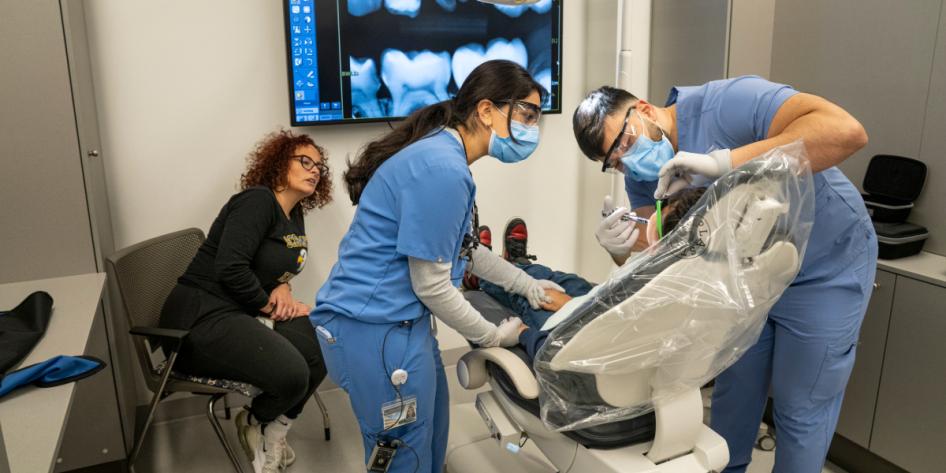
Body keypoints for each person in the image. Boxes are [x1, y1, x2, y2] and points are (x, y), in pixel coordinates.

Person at [573, 76, 877, 473]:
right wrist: (620, 247)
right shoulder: (640, 171)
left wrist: (724, 164)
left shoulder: (729, 102)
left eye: (625, 142)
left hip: (823, 268)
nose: (626, 161)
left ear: (644, 109)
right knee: (734, 396)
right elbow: (657, 234)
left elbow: (845, 133)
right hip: (743, 279)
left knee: (800, 406)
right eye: (613, 161)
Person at [310, 60, 564, 473]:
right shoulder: (442, 170)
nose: (532, 127)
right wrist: (492, 336)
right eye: (527, 114)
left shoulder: (446, 157)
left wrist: (526, 285)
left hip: (401, 326)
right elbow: (431, 285)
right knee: (402, 451)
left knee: (429, 439)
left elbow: (465, 251)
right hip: (373, 332)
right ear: (485, 111)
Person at [158, 130, 332, 473]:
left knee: (323, 345)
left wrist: (282, 287)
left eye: (319, 166)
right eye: (305, 161)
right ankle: (255, 420)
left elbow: (274, 264)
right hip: (198, 319)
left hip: (239, 311)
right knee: (294, 373)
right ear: (280, 164)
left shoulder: (293, 213)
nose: (314, 170)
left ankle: (270, 430)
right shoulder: (257, 202)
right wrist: (269, 305)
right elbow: (230, 268)